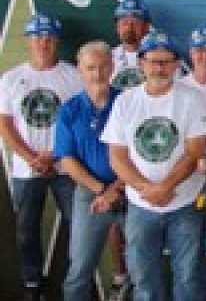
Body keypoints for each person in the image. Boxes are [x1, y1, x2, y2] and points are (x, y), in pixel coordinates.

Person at [101, 29, 206, 301]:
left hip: (184, 203)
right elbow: (117, 156)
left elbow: (196, 149)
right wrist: (146, 189)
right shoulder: (125, 102)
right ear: (141, 63)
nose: (159, 68)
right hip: (140, 206)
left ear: (176, 64)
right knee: (144, 279)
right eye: (153, 61)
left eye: (165, 61)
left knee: (188, 277)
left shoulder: (192, 99)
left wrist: (166, 186)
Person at [0, 14, 83, 300]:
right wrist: (31, 157)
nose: (43, 42)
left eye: (48, 36)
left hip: (66, 166)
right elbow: (5, 124)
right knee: (26, 230)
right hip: (26, 168)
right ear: (27, 40)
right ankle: (32, 283)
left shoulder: (74, 76)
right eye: (37, 36)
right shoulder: (10, 79)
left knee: (78, 225)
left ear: (57, 40)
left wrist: (55, 154)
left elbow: (79, 123)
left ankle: (75, 282)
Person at [53, 41, 126, 301]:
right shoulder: (69, 110)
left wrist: (116, 189)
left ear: (112, 67)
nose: (97, 74)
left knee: (142, 270)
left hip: (130, 193)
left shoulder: (127, 103)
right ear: (80, 70)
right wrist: (101, 191)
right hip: (89, 196)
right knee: (79, 270)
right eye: (90, 68)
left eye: (103, 66)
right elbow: (67, 159)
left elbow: (139, 155)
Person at [111, 0, 152, 90]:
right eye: (124, 23)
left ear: (147, 27)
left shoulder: (159, 58)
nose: (129, 28)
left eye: (135, 23)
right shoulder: (107, 58)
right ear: (117, 27)